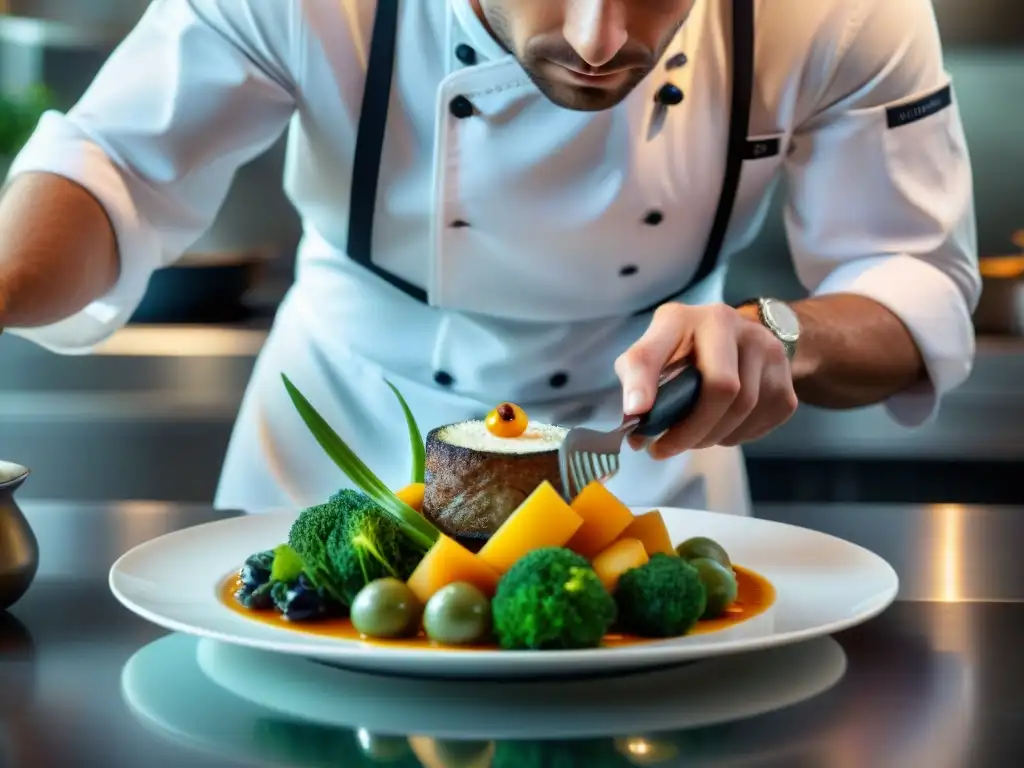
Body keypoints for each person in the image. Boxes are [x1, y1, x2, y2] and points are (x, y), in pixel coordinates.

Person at [0, 0, 980, 517]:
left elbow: (915, 279)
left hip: (643, 471)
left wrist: (779, 337)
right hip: (337, 452)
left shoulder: (843, 9)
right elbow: (116, 164)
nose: (600, 38)